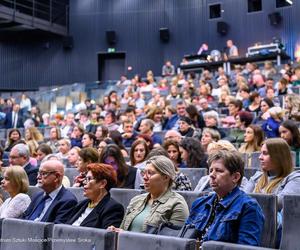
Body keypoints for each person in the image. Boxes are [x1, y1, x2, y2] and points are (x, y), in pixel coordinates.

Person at [186, 150, 264, 246]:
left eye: (219, 171)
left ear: (235, 177)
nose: (212, 175)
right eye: (211, 170)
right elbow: (184, 240)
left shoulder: (248, 207)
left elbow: (246, 248)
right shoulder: (199, 203)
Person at [108, 156, 189, 233]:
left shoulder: (177, 204)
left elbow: (171, 242)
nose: (145, 177)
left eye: (150, 173)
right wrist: (116, 231)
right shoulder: (136, 200)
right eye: (144, 172)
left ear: (166, 177)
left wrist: (126, 235)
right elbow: (123, 229)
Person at [243, 138, 300, 209]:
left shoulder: (294, 179)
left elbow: (278, 204)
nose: (260, 157)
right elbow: (242, 200)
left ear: (279, 157)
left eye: (265, 153)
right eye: (261, 153)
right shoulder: (257, 176)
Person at [66, 163, 124, 228]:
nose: (84, 182)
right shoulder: (81, 204)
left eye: (89, 179)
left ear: (102, 183)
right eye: (85, 179)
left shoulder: (113, 208)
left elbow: (106, 236)